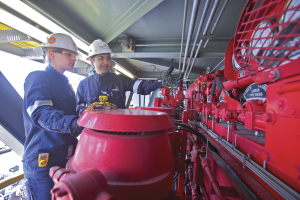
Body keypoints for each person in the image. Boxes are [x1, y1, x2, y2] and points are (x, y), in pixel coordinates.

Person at [22, 33, 84, 200]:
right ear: (51, 54)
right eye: (69, 54)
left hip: (65, 160)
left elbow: (73, 115)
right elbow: (41, 113)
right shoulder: (38, 78)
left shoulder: (66, 86)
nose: (73, 59)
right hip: (42, 165)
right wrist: (76, 122)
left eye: (74, 55)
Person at [76, 39, 183, 114]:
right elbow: (78, 110)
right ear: (91, 61)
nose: (106, 62)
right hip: (94, 135)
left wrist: (160, 83)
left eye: (108, 58)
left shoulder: (120, 80)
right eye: (101, 58)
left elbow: (141, 86)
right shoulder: (83, 85)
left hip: (117, 132)